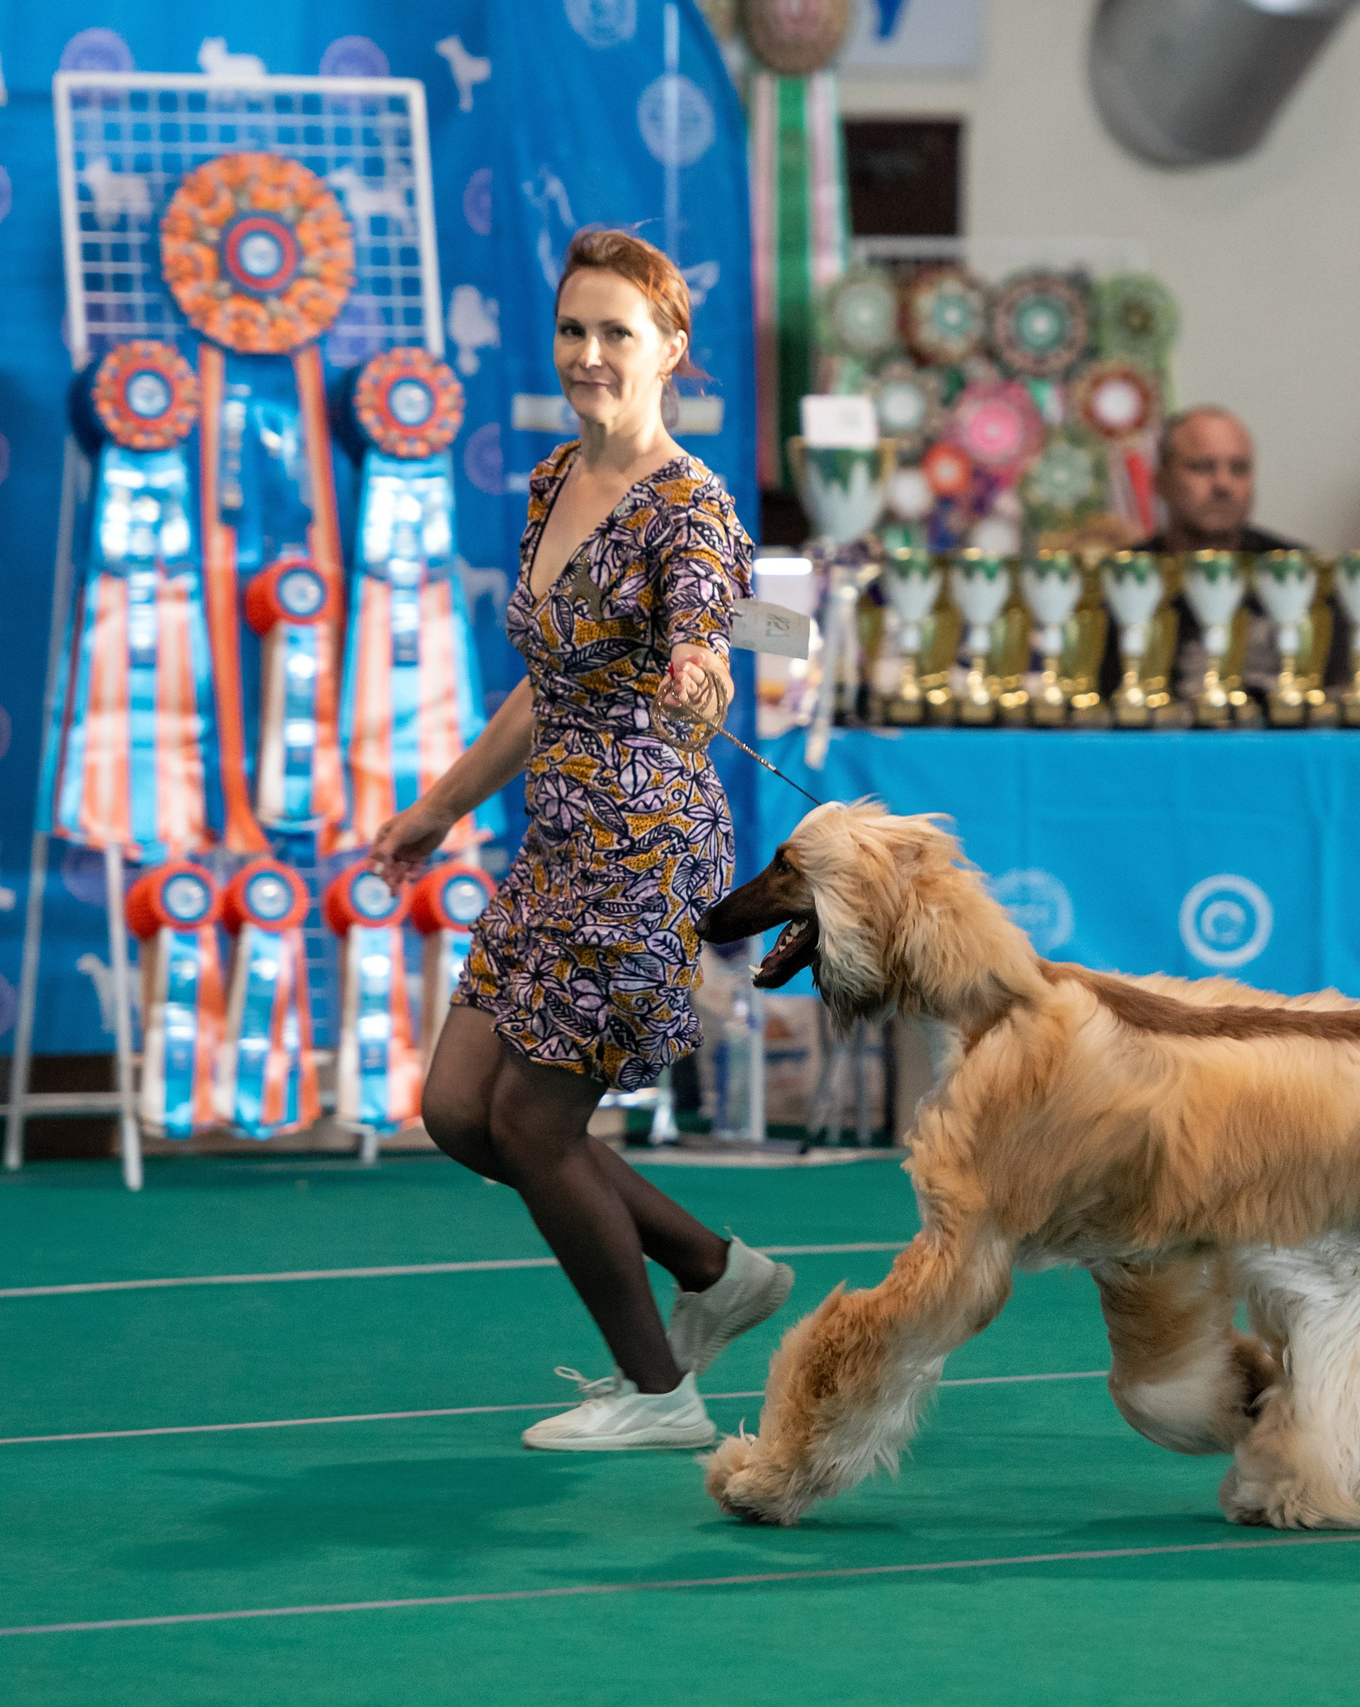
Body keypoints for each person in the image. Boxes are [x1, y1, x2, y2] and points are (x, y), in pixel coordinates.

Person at [370, 230, 793, 1449]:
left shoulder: (692, 508)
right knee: (459, 1112)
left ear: (671, 351)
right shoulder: (555, 481)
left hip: (641, 850)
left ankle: (660, 1394)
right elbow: (542, 686)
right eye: (573, 330)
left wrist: (701, 677)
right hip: (556, 841)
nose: (591, 353)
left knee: (535, 1129)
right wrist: (440, 806)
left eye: (617, 332)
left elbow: (706, 633)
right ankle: (716, 1269)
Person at [1095, 406, 1306, 698]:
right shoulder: (1118, 580)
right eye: (1202, 467)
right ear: (1160, 482)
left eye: (1239, 469)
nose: (1223, 485)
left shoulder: (1298, 574)